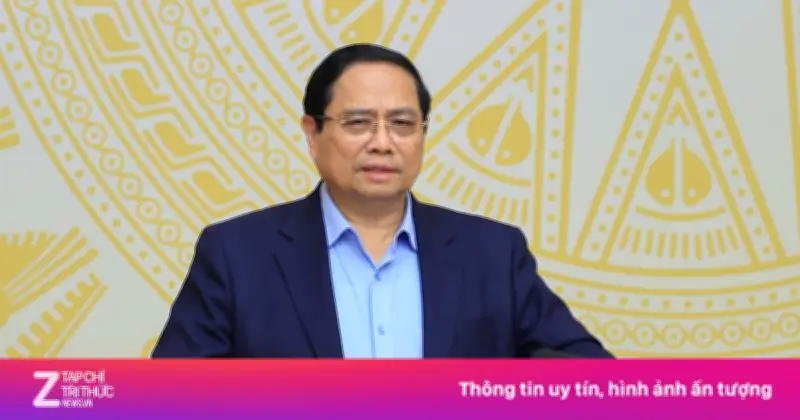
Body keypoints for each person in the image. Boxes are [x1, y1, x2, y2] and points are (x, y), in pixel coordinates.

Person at [151, 43, 613, 359]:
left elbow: (590, 378)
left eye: (402, 124)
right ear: (312, 133)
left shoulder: (492, 253)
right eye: (357, 123)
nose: (382, 143)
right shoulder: (236, 254)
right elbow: (172, 398)